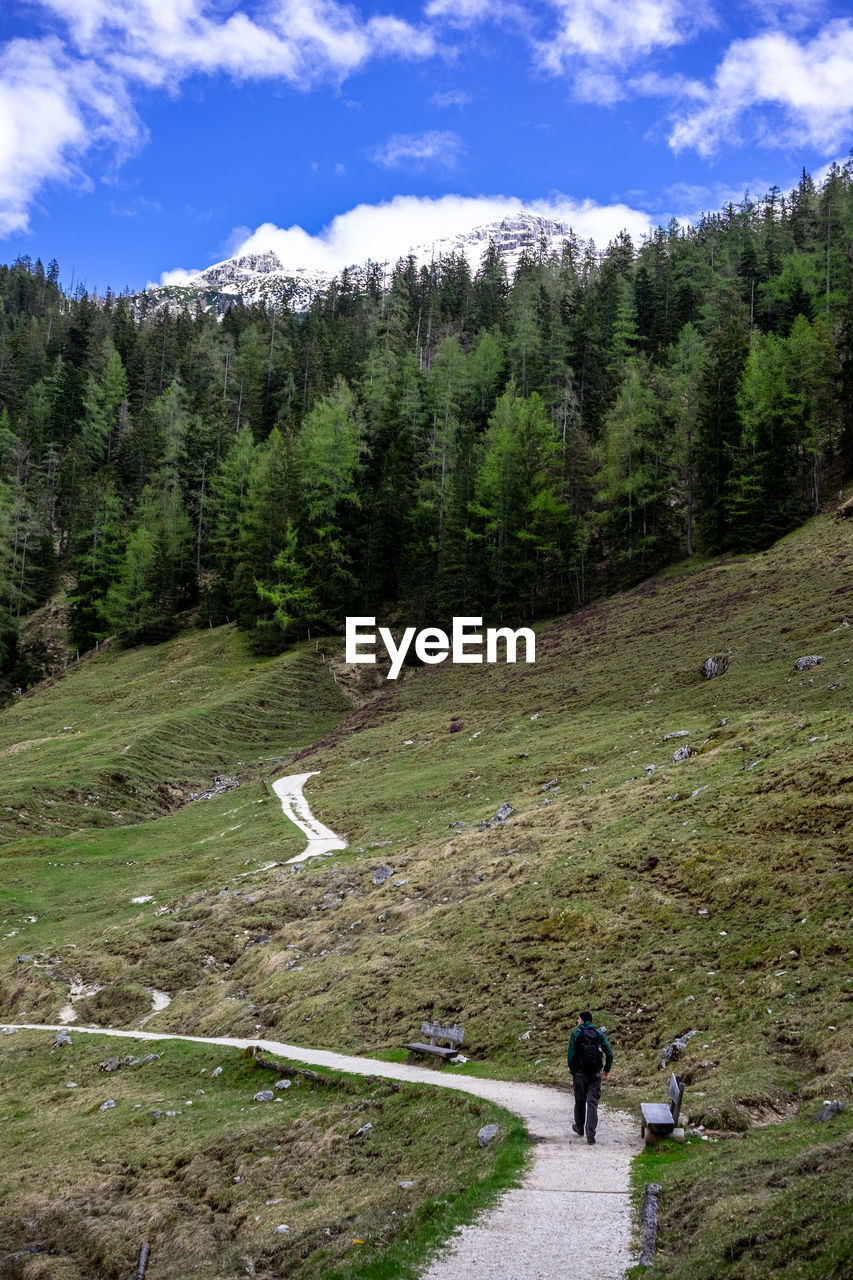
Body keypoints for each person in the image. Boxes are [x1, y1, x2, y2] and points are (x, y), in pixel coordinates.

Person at [567, 1010, 613, 1144]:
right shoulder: (598, 1034)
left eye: (578, 1018)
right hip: (595, 1073)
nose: (577, 1020)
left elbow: (571, 1055)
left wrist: (573, 1071)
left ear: (583, 1020)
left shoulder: (576, 1033)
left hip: (580, 1074)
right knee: (592, 1103)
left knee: (580, 1100)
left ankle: (579, 1127)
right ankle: (591, 1135)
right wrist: (606, 1069)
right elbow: (609, 1053)